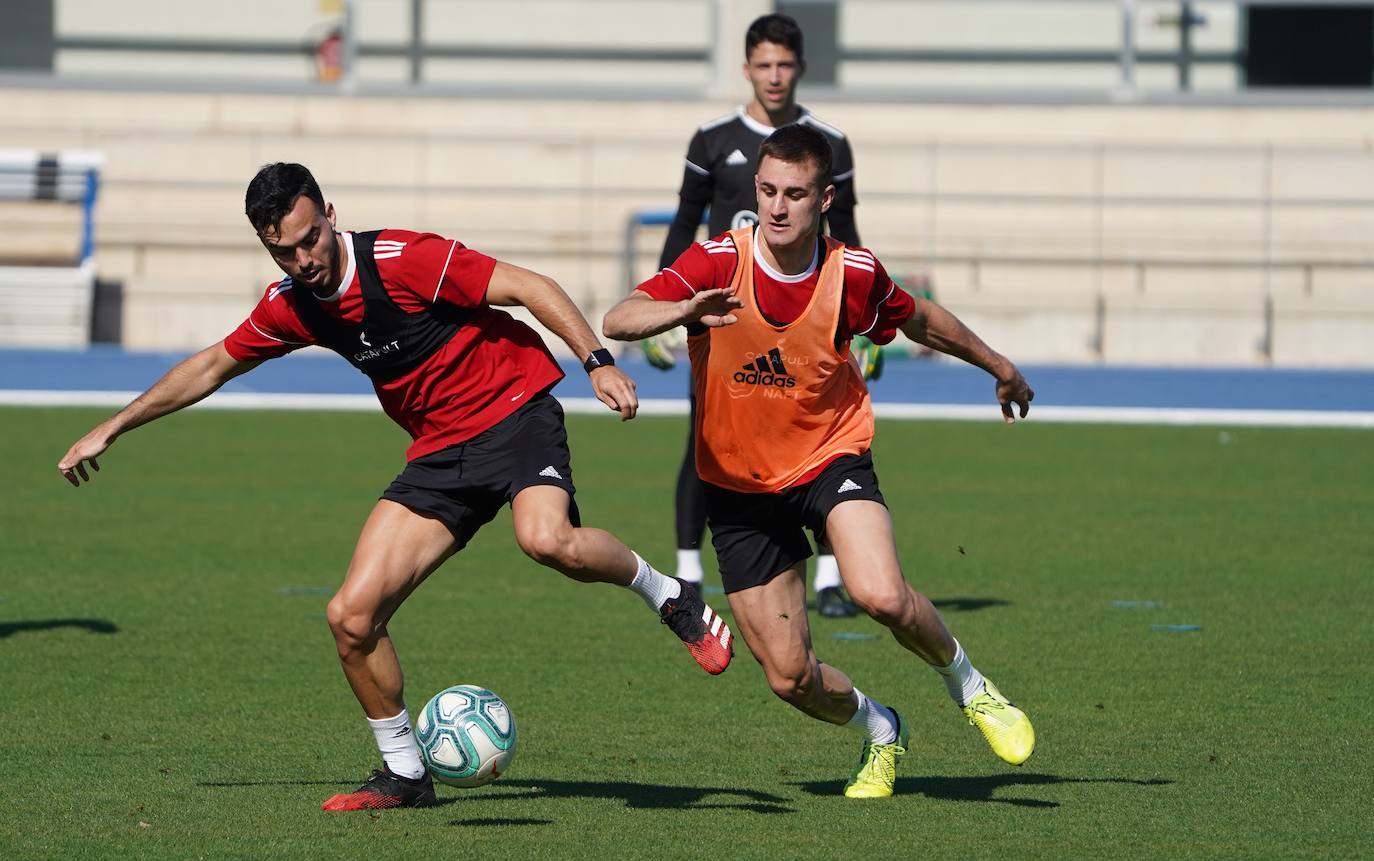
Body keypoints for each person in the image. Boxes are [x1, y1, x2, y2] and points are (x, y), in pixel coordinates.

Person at [57, 162, 734, 812]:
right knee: (350, 616)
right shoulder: (295, 306)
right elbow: (210, 366)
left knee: (546, 539)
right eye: (283, 253)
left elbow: (531, 286)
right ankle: (406, 772)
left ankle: (668, 593)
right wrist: (113, 427)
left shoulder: (404, 258)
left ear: (329, 214)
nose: (303, 261)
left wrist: (597, 362)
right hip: (441, 453)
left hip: (516, 410)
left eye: (309, 238)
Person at [602, 125, 1037, 798]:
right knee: (789, 677)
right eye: (768, 191)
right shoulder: (718, 262)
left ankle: (971, 687)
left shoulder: (852, 272)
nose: (777, 207)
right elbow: (620, 316)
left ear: (824, 198)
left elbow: (920, 319)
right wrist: (683, 309)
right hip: (740, 489)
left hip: (829, 455)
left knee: (880, 593)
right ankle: (882, 728)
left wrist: (1000, 366)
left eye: (795, 194)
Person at [647, 12, 866, 617]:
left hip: (811, 317)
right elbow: (684, 230)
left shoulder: (829, 144)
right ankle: (688, 572)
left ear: (801, 68)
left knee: (824, 438)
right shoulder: (712, 140)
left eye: (785, 64)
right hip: (726, 320)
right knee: (707, 436)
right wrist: (669, 312)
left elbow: (847, 235)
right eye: (763, 64)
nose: (774, 76)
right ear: (746, 68)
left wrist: (862, 322)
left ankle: (828, 580)